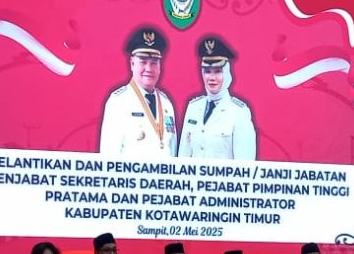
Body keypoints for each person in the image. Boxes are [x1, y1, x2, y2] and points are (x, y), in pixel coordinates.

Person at [98, 27, 177, 157]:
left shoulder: (166, 103)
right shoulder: (119, 101)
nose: (148, 69)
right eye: (143, 62)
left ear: (160, 67)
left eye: (154, 63)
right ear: (132, 64)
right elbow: (109, 155)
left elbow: (172, 150)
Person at [179, 36, 256, 159]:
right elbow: (183, 157)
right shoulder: (193, 107)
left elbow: (245, 165)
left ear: (227, 73)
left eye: (217, 71)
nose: (212, 78)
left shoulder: (239, 112)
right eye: (207, 71)